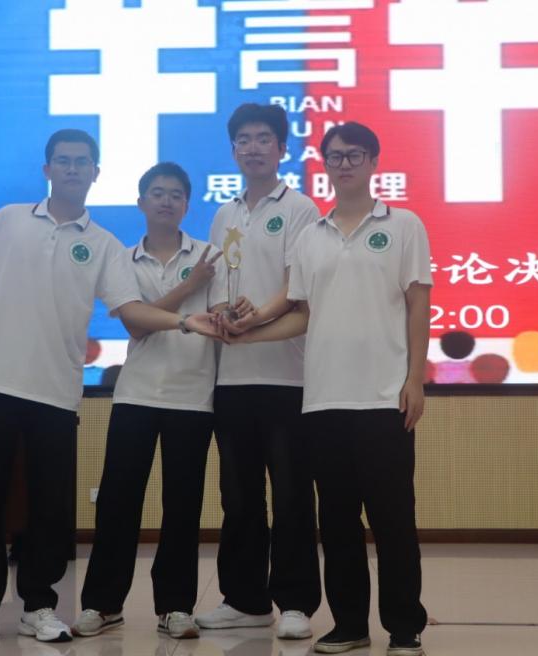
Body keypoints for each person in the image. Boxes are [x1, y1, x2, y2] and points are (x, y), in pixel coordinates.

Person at [0, 130, 218, 647]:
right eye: (63, 161)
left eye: (82, 162)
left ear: (96, 173)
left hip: (57, 391)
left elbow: (132, 313)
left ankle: (39, 605)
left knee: (51, 506)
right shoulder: (8, 219)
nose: (73, 169)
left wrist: (185, 321)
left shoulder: (105, 246)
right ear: (47, 169)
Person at [222, 122, 432, 656]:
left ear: (373, 160)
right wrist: (247, 333)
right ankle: (350, 625)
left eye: (354, 155)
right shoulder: (310, 235)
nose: (344, 164)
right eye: (334, 156)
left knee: (393, 519)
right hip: (321, 402)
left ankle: (404, 627)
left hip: (384, 399)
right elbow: (302, 313)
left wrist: (414, 379)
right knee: (336, 522)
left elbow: (417, 304)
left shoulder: (403, 225)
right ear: (324, 164)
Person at [74, 162, 235, 640]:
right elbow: (136, 324)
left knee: (183, 504)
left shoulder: (210, 255)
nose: (166, 201)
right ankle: (103, 604)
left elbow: (218, 314)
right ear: (141, 202)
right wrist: (188, 291)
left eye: (176, 194)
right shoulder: (123, 259)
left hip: (193, 397)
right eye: (158, 193)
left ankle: (176, 606)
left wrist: (220, 309)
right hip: (136, 395)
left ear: (187, 204)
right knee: (118, 501)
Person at [196, 103, 321, 640]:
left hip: (287, 377)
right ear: (233, 150)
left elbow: (297, 286)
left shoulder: (300, 208)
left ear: (282, 148)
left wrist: (255, 317)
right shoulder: (224, 215)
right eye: (243, 139)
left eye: (263, 138)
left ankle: (295, 602)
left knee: (291, 494)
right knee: (239, 496)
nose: (253, 147)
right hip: (232, 379)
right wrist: (224, 314)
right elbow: (217, 286)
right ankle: (245, 600)